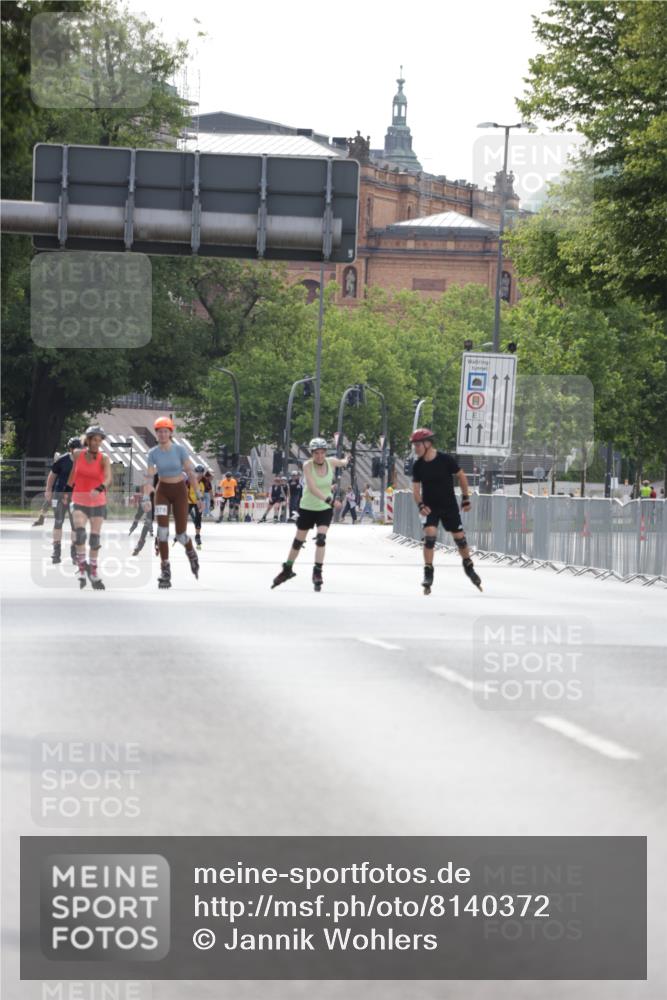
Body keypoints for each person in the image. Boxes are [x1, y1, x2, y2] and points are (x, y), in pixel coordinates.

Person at [271, 437, 349, 592]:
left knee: (321, 538)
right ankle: (287, 569)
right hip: (307, 507)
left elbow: (343, 462)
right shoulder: (307, 465)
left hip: (324, 509)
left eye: (322, 453)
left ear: (325, 453)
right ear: (312, 454)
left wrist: (347, 459)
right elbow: (313, 488)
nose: (319, 456)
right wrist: (331, 501)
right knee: (298, 541)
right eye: (316, 453)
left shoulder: (331, 462)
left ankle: (317, 572)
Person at [410, 427, 482, 593]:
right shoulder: (418, 466)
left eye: (418, 445)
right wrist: (420, 505)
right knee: (429, 536)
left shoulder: (445, 459)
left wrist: (465, 498)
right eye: (414, 445)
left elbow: (462, 476)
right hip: (430, 507)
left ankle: (468, 565)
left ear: (427, 443)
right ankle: (428, 572)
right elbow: (415, 489)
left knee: (460, 539)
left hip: (449, 506)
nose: (416, 448)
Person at [143, 416, 202, 589]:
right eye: (159, 431)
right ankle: (165, 570)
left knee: (181, 534)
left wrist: (198, 496)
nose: (162, 434)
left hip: (179, 492)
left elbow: (191, 473)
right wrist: (146, 497)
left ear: (170, 433)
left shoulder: (179, 450)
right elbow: (149, 476)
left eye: (165, 431)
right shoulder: (153, 453)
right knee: (162, 532)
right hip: (162, 492)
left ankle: (191, 553)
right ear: (156, 434)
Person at [67, 426, 112, 590]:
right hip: (79, 498)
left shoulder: (103, 458)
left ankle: (93, 572)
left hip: (97, 501)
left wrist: (99, 488)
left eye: (99, 440)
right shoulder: (78, 454)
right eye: (94, 439)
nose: (97, 443)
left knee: (94, 539)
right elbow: (73, 473)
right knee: (80, 534)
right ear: (88, 439)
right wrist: (65, 491)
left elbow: (108, 479)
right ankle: (81, 569)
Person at [45, 436, 80, 564]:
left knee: (75, 526)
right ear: (70, 449)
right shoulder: (62, 460)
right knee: (58, 522)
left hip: (76, 496)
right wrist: (48, 490)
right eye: (75, 448)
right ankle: (56, 551)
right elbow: (52, 475)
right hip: (59, 495)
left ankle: (74, 553)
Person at [129, 473, 157, 556]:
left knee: (147, 524)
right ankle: (134, 525)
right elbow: (140, 494)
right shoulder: (145, 485)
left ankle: (140, 544)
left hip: (151, 506)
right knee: (138, 515)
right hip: (144, 503)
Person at [188, 465, 206, 548]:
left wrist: (201, 502)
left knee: (198, 518)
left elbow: (201, 495)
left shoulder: (202, 484)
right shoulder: (189, 482)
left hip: (197, 502)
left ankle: (197, 536)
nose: (199, 475)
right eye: (197, 473)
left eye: (201, 473)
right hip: (189, 501)